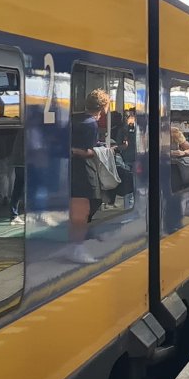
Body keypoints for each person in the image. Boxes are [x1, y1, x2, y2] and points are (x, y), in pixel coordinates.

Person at [68, 89, 107, 264]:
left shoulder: (76, 118)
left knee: (85, 204)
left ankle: (81, 236)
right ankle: (77, 246)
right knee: (86, 205)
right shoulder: (91, 124)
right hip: (83, 169)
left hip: (72, 169)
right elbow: (86, 151)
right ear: (103, 107)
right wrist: (100, 151)